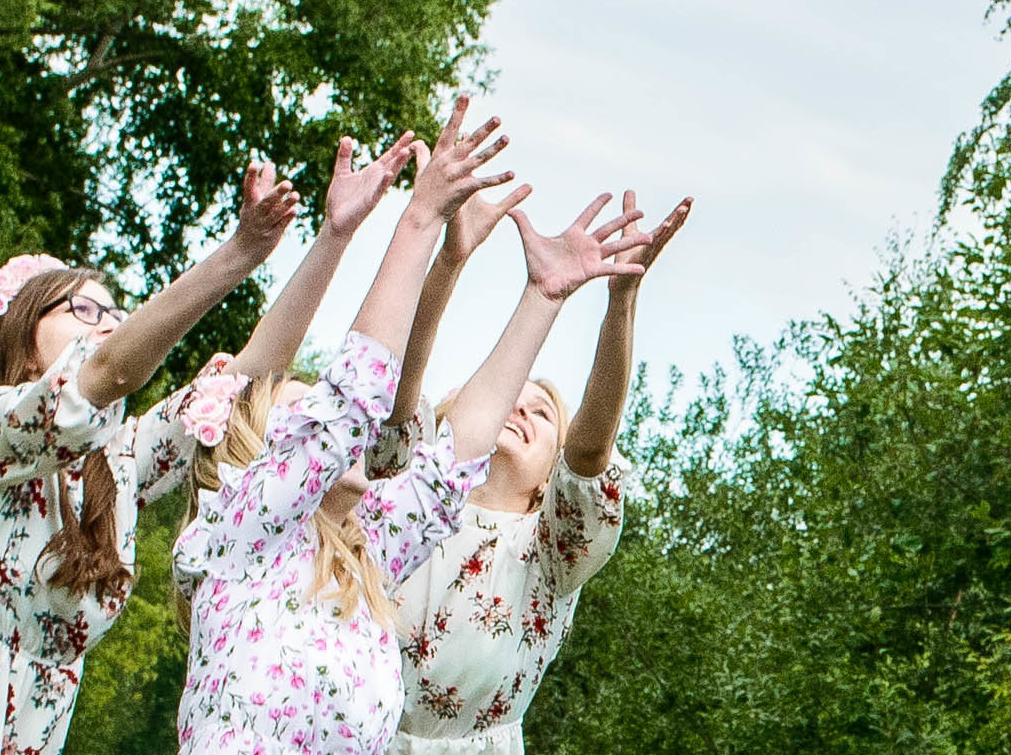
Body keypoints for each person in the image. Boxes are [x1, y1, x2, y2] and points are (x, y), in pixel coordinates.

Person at [0, 136, 415, 755]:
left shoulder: (115, 463)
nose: (110, 323)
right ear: (22, 335)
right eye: (84, 309)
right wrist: (239, 252)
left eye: (116, 313)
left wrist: (334, 236)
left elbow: (249, 378)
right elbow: (111, 372)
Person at [171, 98, 652, 755]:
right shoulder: (237, 533)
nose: (337, 431)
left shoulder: (364, 557)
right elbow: (355, 396)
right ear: (255, 452)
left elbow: (456, 457)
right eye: (306, 418)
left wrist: (542, 295)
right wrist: (421, 218)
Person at [386, 189, 691, 754]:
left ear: (551, 475)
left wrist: (620, 302)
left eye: (542, 413)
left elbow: (590, 455)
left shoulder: (548, 549)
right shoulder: (406, 494)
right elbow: (397, 385)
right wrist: (449, 259)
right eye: (511, 397)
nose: (520, 410)